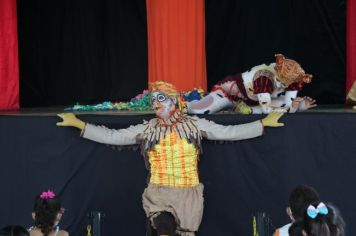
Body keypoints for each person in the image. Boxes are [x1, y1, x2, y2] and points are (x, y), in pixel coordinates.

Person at [57, 81, 284, 236]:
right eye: (155, 101)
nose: (157, 105)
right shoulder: (148, 129)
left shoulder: (194, 125)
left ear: (174, 102)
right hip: (159, 195)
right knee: (162, 228)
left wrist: (262, 123)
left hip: (188, 194)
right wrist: (80, 125)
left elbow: (229, 133)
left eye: (162, 100)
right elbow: (113, 136)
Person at [187, 54, 316, 115]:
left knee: (280, 104)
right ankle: (192, 99)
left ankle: (241, 110)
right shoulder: (264, 78)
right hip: (228, 95)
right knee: (197, 111)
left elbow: (287, 103)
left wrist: (296, 106)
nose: (286, 87)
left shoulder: (294, 78)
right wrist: (290, 109)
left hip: (254, 101)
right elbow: (266, 110)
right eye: (284, 84)